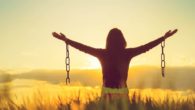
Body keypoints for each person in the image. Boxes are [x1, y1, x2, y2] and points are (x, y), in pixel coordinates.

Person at [52, 28, 177, 102]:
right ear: (123, 40)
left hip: (106, 92)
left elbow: (83, 48)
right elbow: (146, 47)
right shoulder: (127, 53)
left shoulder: (102, 53)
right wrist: (163, 37)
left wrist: (66, 40)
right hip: (122, 92)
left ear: (108, 40)